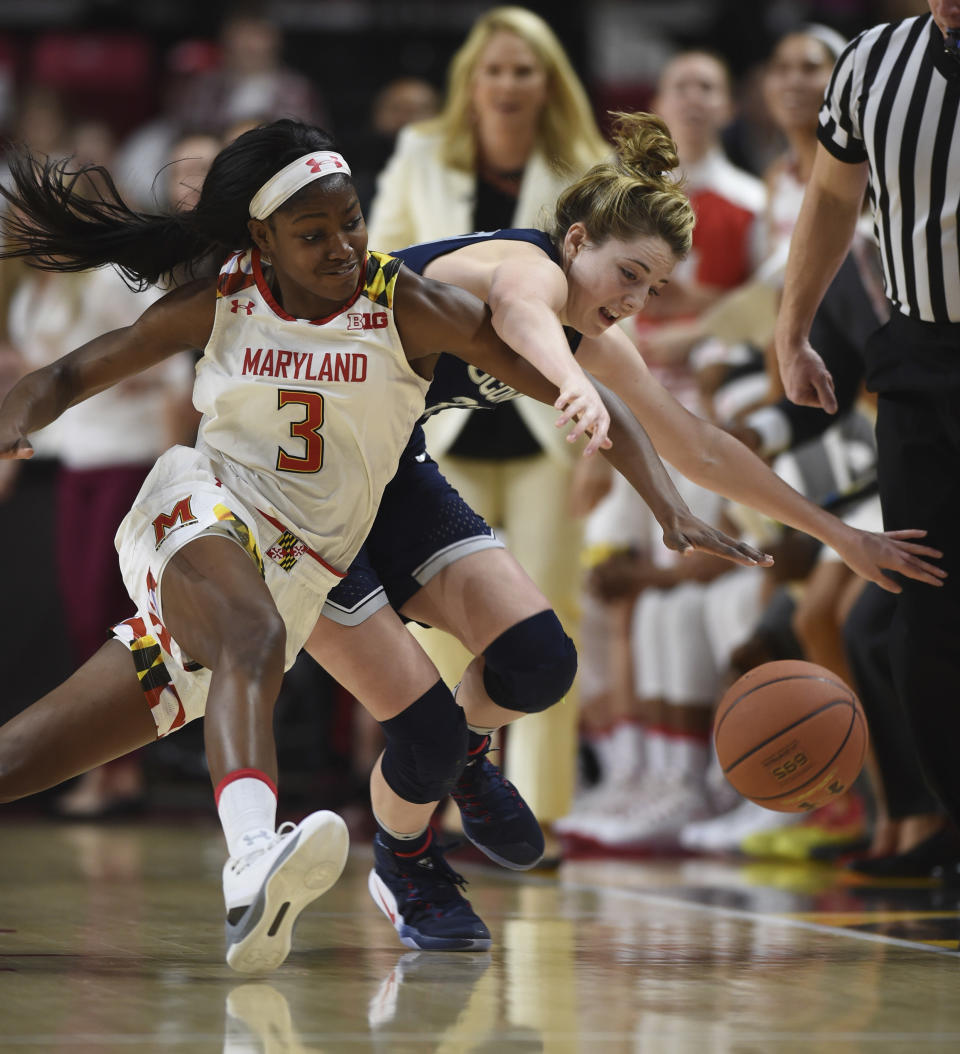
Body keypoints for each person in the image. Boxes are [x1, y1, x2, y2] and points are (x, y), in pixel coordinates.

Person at [0, 118, 617, 972]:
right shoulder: (225, 298)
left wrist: (659, 493)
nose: (341, 246)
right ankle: (253, 862)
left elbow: (574, 388)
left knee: (26, 755)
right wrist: (12, 418)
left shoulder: (399, 297)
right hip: (204, 510)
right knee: (254, 638)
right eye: (314, 233)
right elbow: (65, 373)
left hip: (300, 563)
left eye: (351, 223)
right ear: (265, 238)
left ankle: (413, 789)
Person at [365, 6, 611, 829]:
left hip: (551, 423)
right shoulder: (422, 154)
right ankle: (437, 803)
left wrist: (600, 443)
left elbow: (613, 311)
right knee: (444, 617)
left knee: (547, 616)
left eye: (526, 70)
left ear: (551, 84)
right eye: (495, 69)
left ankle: (540, 808)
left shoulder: (585, 166)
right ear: (472, 79)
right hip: (441, 417)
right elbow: (381, 268)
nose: (508, 85)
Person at [774, 1, 960, 872]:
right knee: (923, 611)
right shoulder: (872, 63)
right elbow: (832, 196)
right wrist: (791, 329)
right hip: (921, 361)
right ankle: (943, 819)